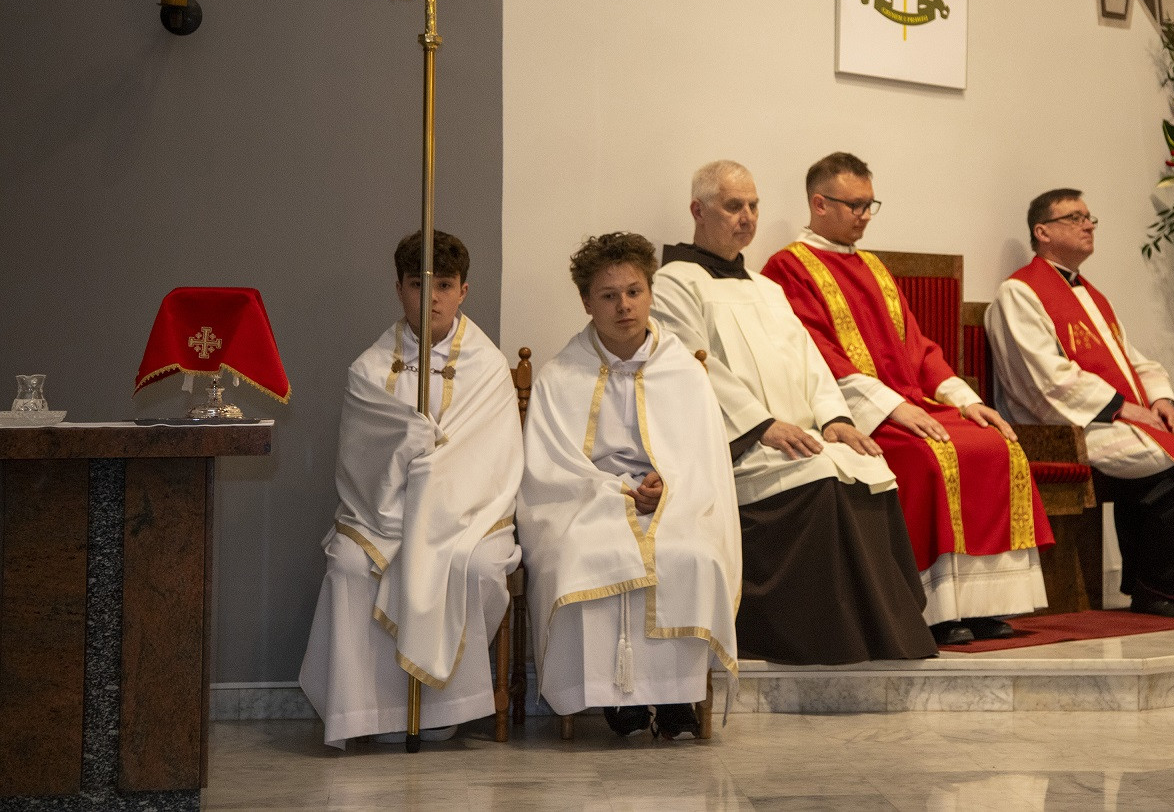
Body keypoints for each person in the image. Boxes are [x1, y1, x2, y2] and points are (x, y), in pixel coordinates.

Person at [651, 160, 938, 665]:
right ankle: (825, 639)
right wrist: (761, 425)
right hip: (743, 448)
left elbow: (810, 362)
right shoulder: (673, 283)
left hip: (798, 437)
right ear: (698, 211)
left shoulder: (766, 288)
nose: (747, 217)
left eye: (753, 206)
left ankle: (881, 635)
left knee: (868, 469)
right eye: (733, 206)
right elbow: (696, 366)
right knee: (822, 477)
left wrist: (835, 419)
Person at [761, 153, 1052, 646]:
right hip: (854, 412)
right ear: (819, 203)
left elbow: (916, 345)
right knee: (928, 455)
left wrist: (964, 399)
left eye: (870, 204)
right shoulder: (788, 267)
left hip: (908, 402)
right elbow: (816, 353)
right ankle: (934, 609)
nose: (865, 216)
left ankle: (985, 605)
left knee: (995, 442)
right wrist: (894, 408)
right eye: (855, 205)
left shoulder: (873, 266)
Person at [983, 189, 1174, 617]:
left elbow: (1133, 359)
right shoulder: (1020, 293)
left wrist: (1161, 399)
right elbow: (1046, 379)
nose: (1088, 225)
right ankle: (1155, 590)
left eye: (1090, 217)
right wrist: (1121, 407)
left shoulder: (1091, 296)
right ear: (1042, 232)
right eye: (1075, 217)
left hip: (1110, 419)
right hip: (1065, 429)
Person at [300, 230, 524, 748]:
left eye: (444, 285)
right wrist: (406, 443)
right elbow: (358, 465)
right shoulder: (369, 369)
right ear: (399, 289)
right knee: (349, 565)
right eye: (419, 285)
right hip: (383, 513)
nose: (432, 299)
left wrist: (434, 472)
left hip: (465, 514)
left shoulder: (488, 366)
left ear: (463, 291)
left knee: (476, 568)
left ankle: (445, 707)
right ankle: (366, 710)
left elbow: (492, 461)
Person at [518, 233, 740, 739]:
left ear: (650, 293)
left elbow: (704, 460)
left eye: (634, 291)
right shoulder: (560, 375)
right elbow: (550, 468)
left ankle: (678, 694)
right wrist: (616, 492)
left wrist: (669, 486)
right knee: (585, 553)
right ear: (586, 302)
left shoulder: (684, 371)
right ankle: (616, 698)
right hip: (587, 502)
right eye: (609, 295)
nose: (624, 306)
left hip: (675, 504)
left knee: (691, 555)